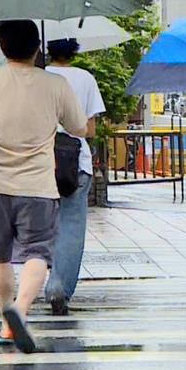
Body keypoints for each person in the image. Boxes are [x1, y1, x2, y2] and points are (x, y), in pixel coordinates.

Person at [0, 21, 87, 353]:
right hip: (38, 186)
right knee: (38, 253)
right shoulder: (57, 84)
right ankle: (19, 311)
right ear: (38, 47)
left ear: (1, 46)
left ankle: (7, 323)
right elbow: (79, 127)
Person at [42, 38, 106, 316]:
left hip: (38, 161)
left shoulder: (38, 77)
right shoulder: (85, 78)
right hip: (74, 162)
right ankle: (58, 287)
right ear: (74, 50)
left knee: (39, 226)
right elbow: (89, 129)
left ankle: (34, 279)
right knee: (71, 227)